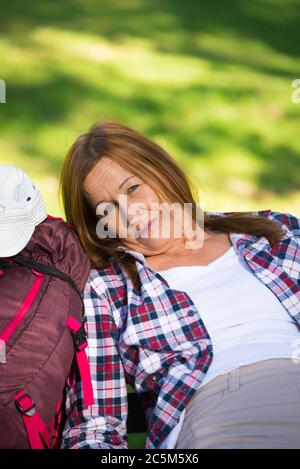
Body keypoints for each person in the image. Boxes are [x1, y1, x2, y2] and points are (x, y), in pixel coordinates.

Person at [59, 120, 300, 449]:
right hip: (223, 405)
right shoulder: (108, 289)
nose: (131, 213)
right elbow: (95, 425)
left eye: (133, 188)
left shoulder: (273, 232)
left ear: (162, 171)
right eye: (108, 209)